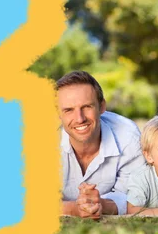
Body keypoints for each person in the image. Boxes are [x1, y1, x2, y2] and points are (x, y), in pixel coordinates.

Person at [57, 70, 146, 218]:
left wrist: (102, 205)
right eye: (68, 110)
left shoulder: (128, 136)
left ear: (102, 106)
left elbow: (135, 195)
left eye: (86, 107)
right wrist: (74, 209)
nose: (79, 119)